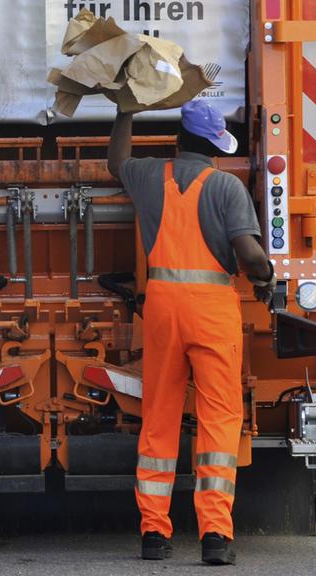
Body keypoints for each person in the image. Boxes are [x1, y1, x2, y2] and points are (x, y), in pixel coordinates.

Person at [107, 99, 274, 566]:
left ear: (178, 142)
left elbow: (115, 161)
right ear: (214, 149)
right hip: (211, 310)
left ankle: (154, 534)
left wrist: (125, 112)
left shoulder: (148, 176)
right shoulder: (225, 186)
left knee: (158, 414)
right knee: (218, 418)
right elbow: (249, 252)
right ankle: (215, 536)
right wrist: (265, 276)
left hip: (161, 307)